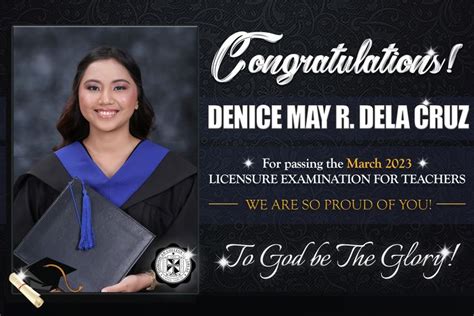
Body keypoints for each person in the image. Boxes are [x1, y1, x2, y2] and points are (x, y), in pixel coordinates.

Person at [12, 46, 197, 292]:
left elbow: (198, 257)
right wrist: (46, 290)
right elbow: (16, 266)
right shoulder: (45, 178)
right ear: (79, 97)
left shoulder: (177, 177)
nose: (105, 99)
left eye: (119, 87)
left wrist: (148, 280)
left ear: (137, 99)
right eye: (93, 87)